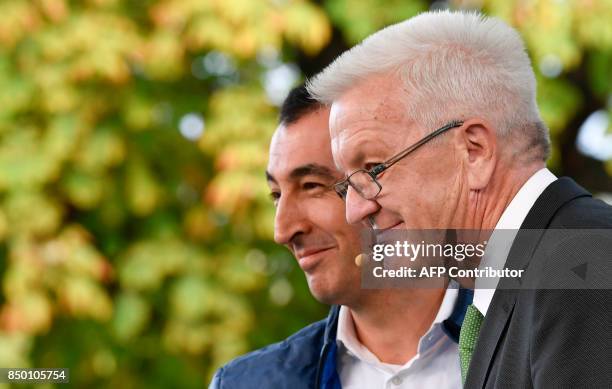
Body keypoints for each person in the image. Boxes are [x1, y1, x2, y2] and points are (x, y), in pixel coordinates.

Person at [307, 10, 612, 389]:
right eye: (346, 184)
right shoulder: (519, 287)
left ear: (474, 151)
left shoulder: (585, 269)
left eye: (372, 169)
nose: (355, 210)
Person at [209, 84, 470, 389]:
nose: (282, 232)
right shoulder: (242, 384)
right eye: (276, 195)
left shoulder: (526, 343)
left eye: (311, 186)